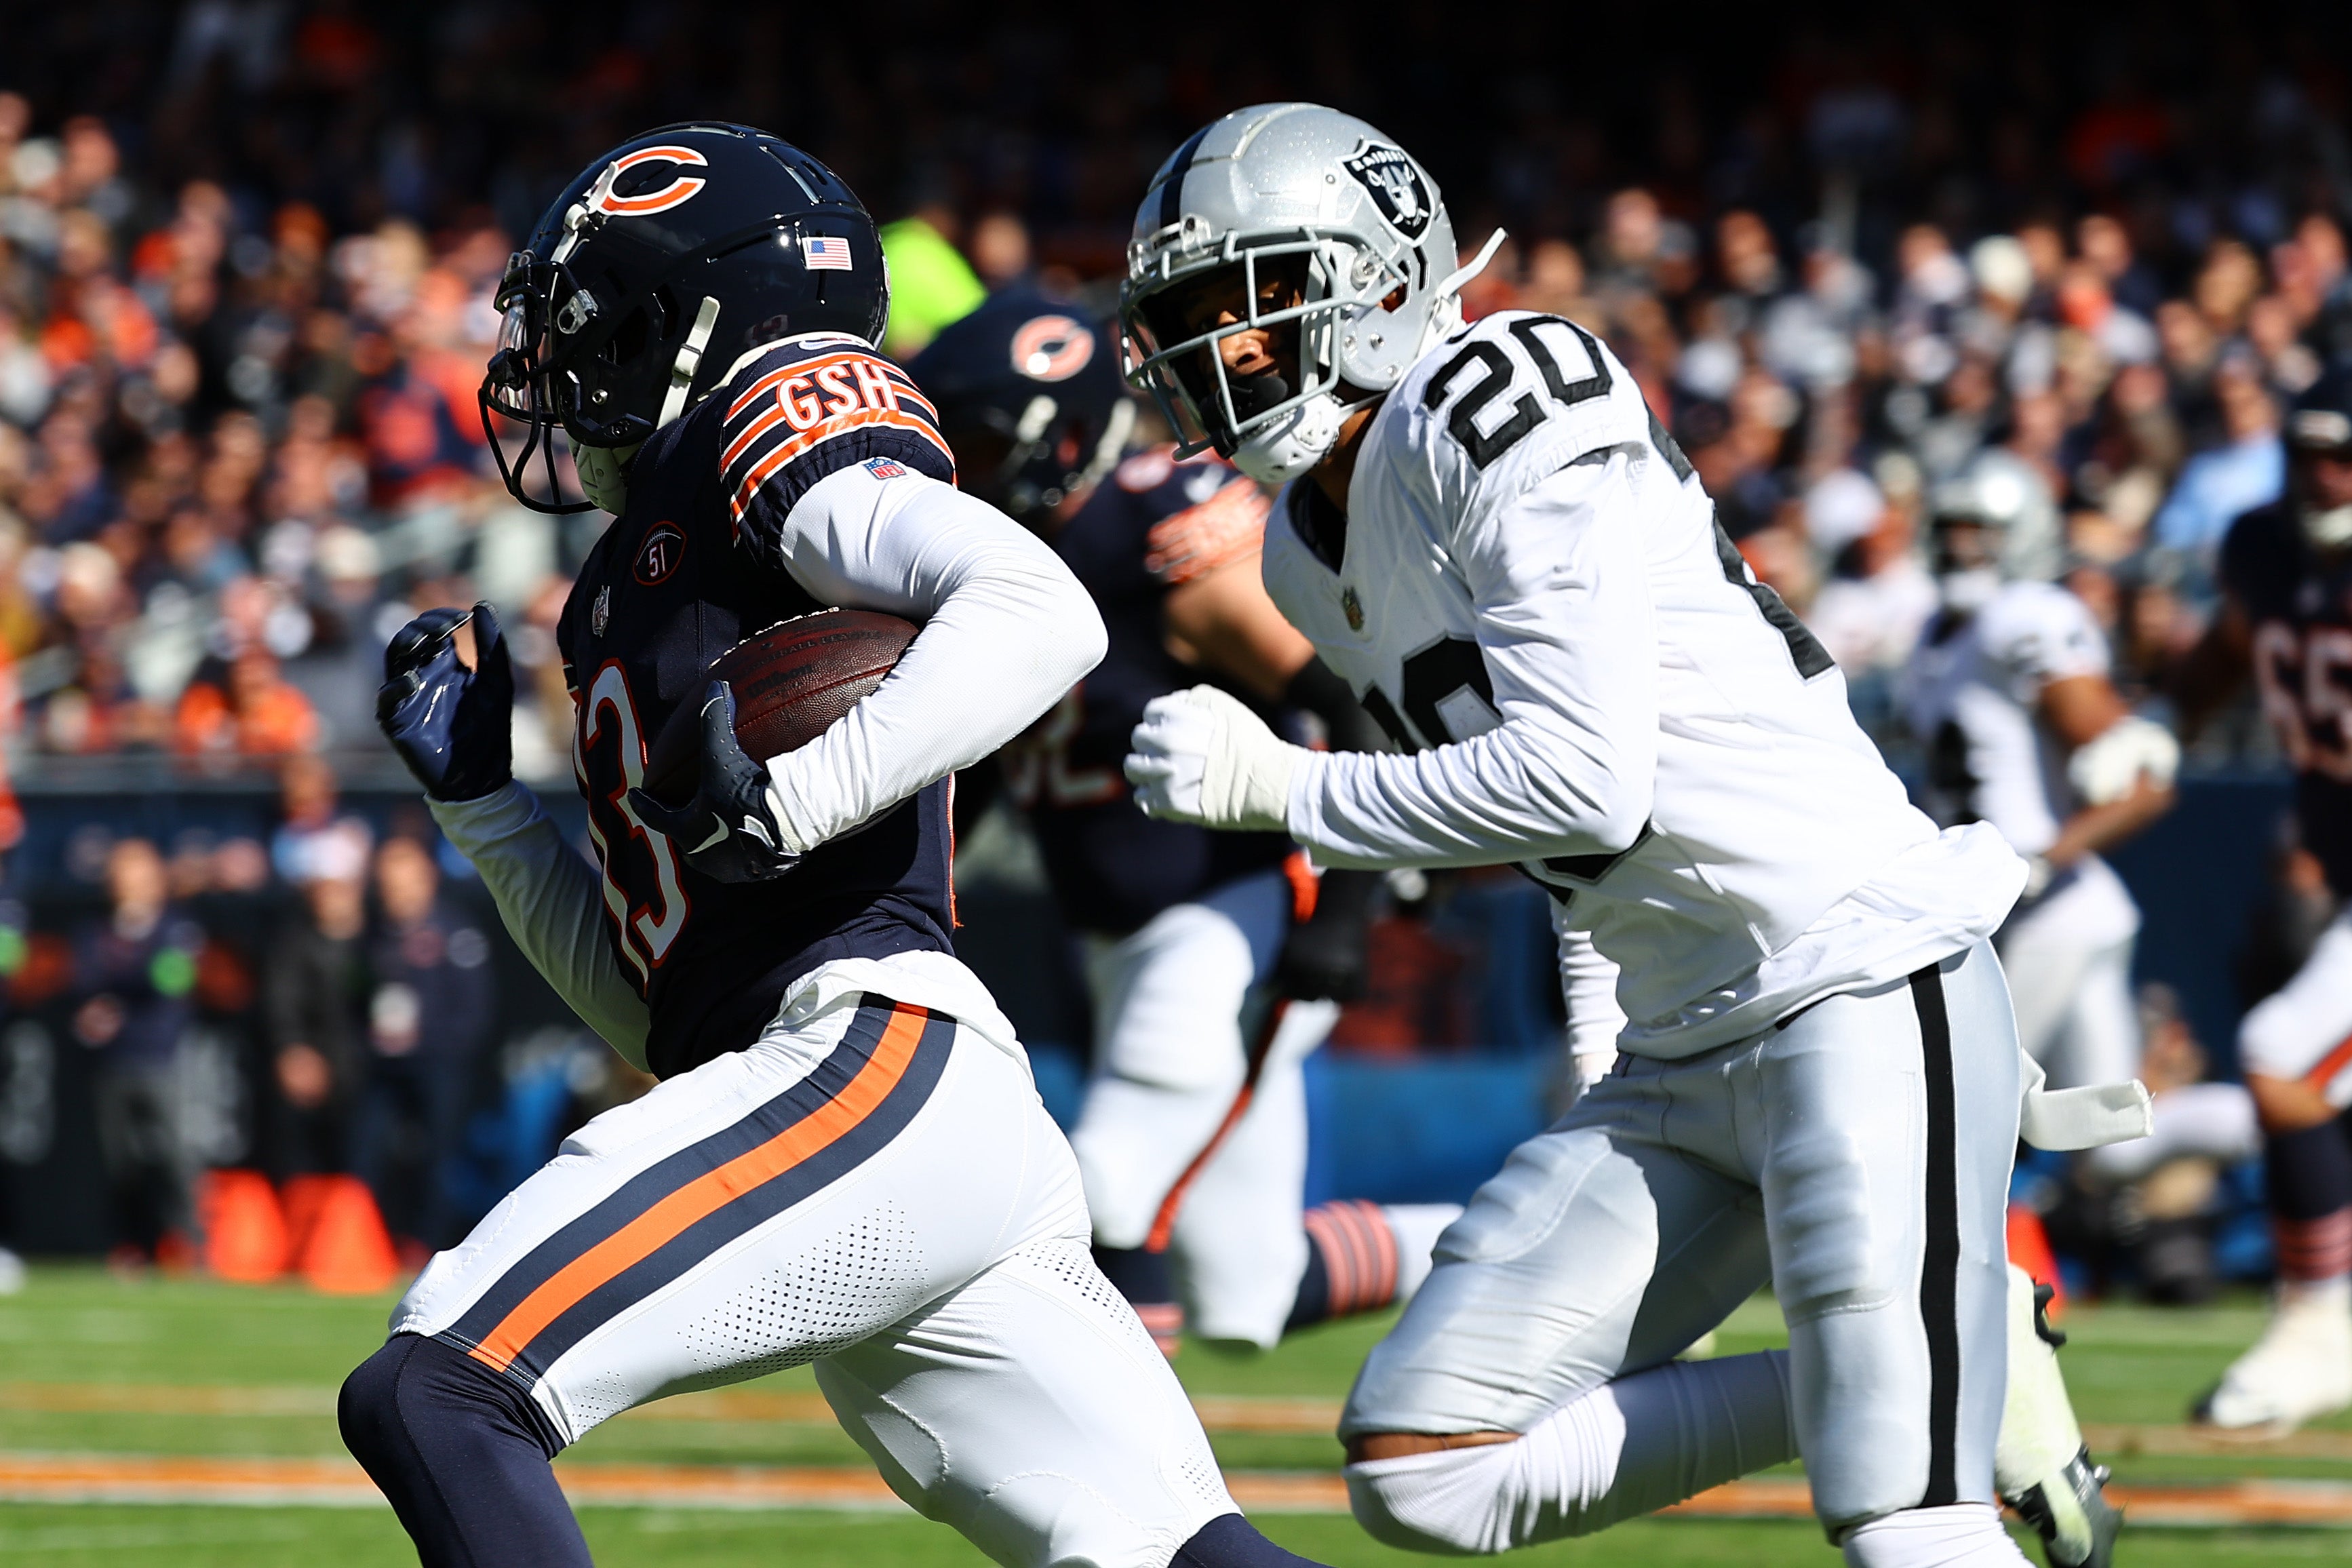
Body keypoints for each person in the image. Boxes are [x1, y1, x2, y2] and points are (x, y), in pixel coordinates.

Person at [1118, 104, 2142, 1568]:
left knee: (1904, 1524)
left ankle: (1919, 1379)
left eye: (1248, 305)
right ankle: (1957, 1357)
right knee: (1425, 1463)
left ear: (1376, 279)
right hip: (1681, 1043)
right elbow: (1568, 852)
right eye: (1186, 321)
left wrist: (1284, 791)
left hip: (1853, 970)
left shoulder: (1499, 384)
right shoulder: (1299, 547)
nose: (1215, 356)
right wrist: (1608, 1035)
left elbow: (1588, 782)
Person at [342, 122, 1344, 1568]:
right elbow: (666, 1012)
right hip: (878, 1096)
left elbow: (1039, 609)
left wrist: (798, 798)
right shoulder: (645, 576)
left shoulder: (776, 415)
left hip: (871, 1061)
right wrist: (487, 812)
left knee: (439, 1382)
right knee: (1175, 1555)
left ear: (697, 317)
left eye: (595, 329)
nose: (560, 374)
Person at [914, 292, 1455, 1353]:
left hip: (1234, 907)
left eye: (978, 442)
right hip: (1120, 928)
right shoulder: (1001, 568)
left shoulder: (1148, 526)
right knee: (1246, 1294)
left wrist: (1346, 907)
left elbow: (1349, 703)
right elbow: (970, 770)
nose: (961, 471)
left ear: (1059, 434)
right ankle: (1528, 1250)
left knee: (1102, 1183)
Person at [2171, 369, 2352, 1431]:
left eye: (2346, 455)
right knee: (2292, 1062)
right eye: (2310, 451)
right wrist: (2159, 720)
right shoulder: (2263, 550)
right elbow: (2232, 654)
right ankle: (2317, 1319)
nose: (2324, 475)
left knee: (2286, 1055)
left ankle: (2323, 1323)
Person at [1902, 451, 2180, 1094]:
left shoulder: (2023, 617)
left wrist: (2045, 860)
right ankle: (2257, 1130)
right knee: (2107, 1141)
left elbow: (2142, 777)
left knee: (1961, 1098)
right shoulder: (1933, 637)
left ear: (2020, 536)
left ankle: (2273, 1130)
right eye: (1949, 531)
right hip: (2050, 912)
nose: (1958, 549)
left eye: (1978, 533)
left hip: (2050, 911)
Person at [351, 835, 494, 1253]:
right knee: (367, 1153)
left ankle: (430, 1245)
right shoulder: (371, 937)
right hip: (383, 1066)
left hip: (438, 1064)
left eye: (404, 882)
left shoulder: (456, 933)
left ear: (426, 880)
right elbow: (355, 996)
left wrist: (430, 1042)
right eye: (388, 883)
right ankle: (372, 1244)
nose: (395, 893)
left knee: (441, 1158)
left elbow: (473, 1010)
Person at [69, 838, 208, 1266]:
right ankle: (133, 1245)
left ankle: (193, 1245)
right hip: (114, 1061)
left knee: (174, 1156)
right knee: (120, 1161)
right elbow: (85, 981)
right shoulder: (95, 930)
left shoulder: (176, 927)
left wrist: (116, 996)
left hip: (161, 1056)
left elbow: (167, 979)